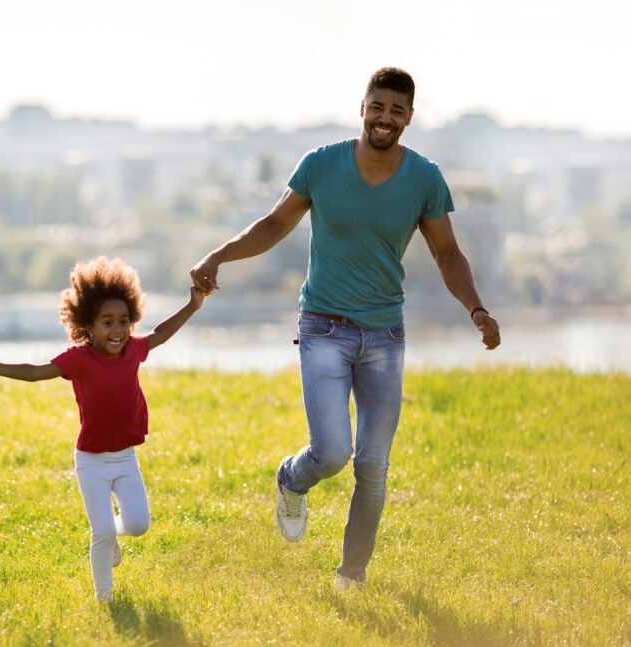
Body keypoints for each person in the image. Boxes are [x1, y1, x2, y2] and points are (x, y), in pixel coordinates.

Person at [190, 67, 501, 591]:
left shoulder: (425, 177)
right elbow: (273, 224)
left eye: (397, 111)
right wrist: (218, 257)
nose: (385, 118)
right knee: (333, 453)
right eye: (377, 107)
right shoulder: (321, 164)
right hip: (323, 327)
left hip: (385, 335)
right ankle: (291, 478)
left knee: (373, 466)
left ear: (408, 118)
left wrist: (476, 309)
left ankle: (351, 576)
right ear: (362, 107)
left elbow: (447, 254)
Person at [0, 256, 206, 603]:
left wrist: (192, 306)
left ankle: (111, 541)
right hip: (91, 461)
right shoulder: (78, 359)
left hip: (125, 458)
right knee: (101, 530)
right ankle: (104, 598)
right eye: (107, 322)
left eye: (124, 321)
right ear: (88, 326)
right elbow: (34, 372)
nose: (117, 330)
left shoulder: (134, 351)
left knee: (137, 524)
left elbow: (161, 333)